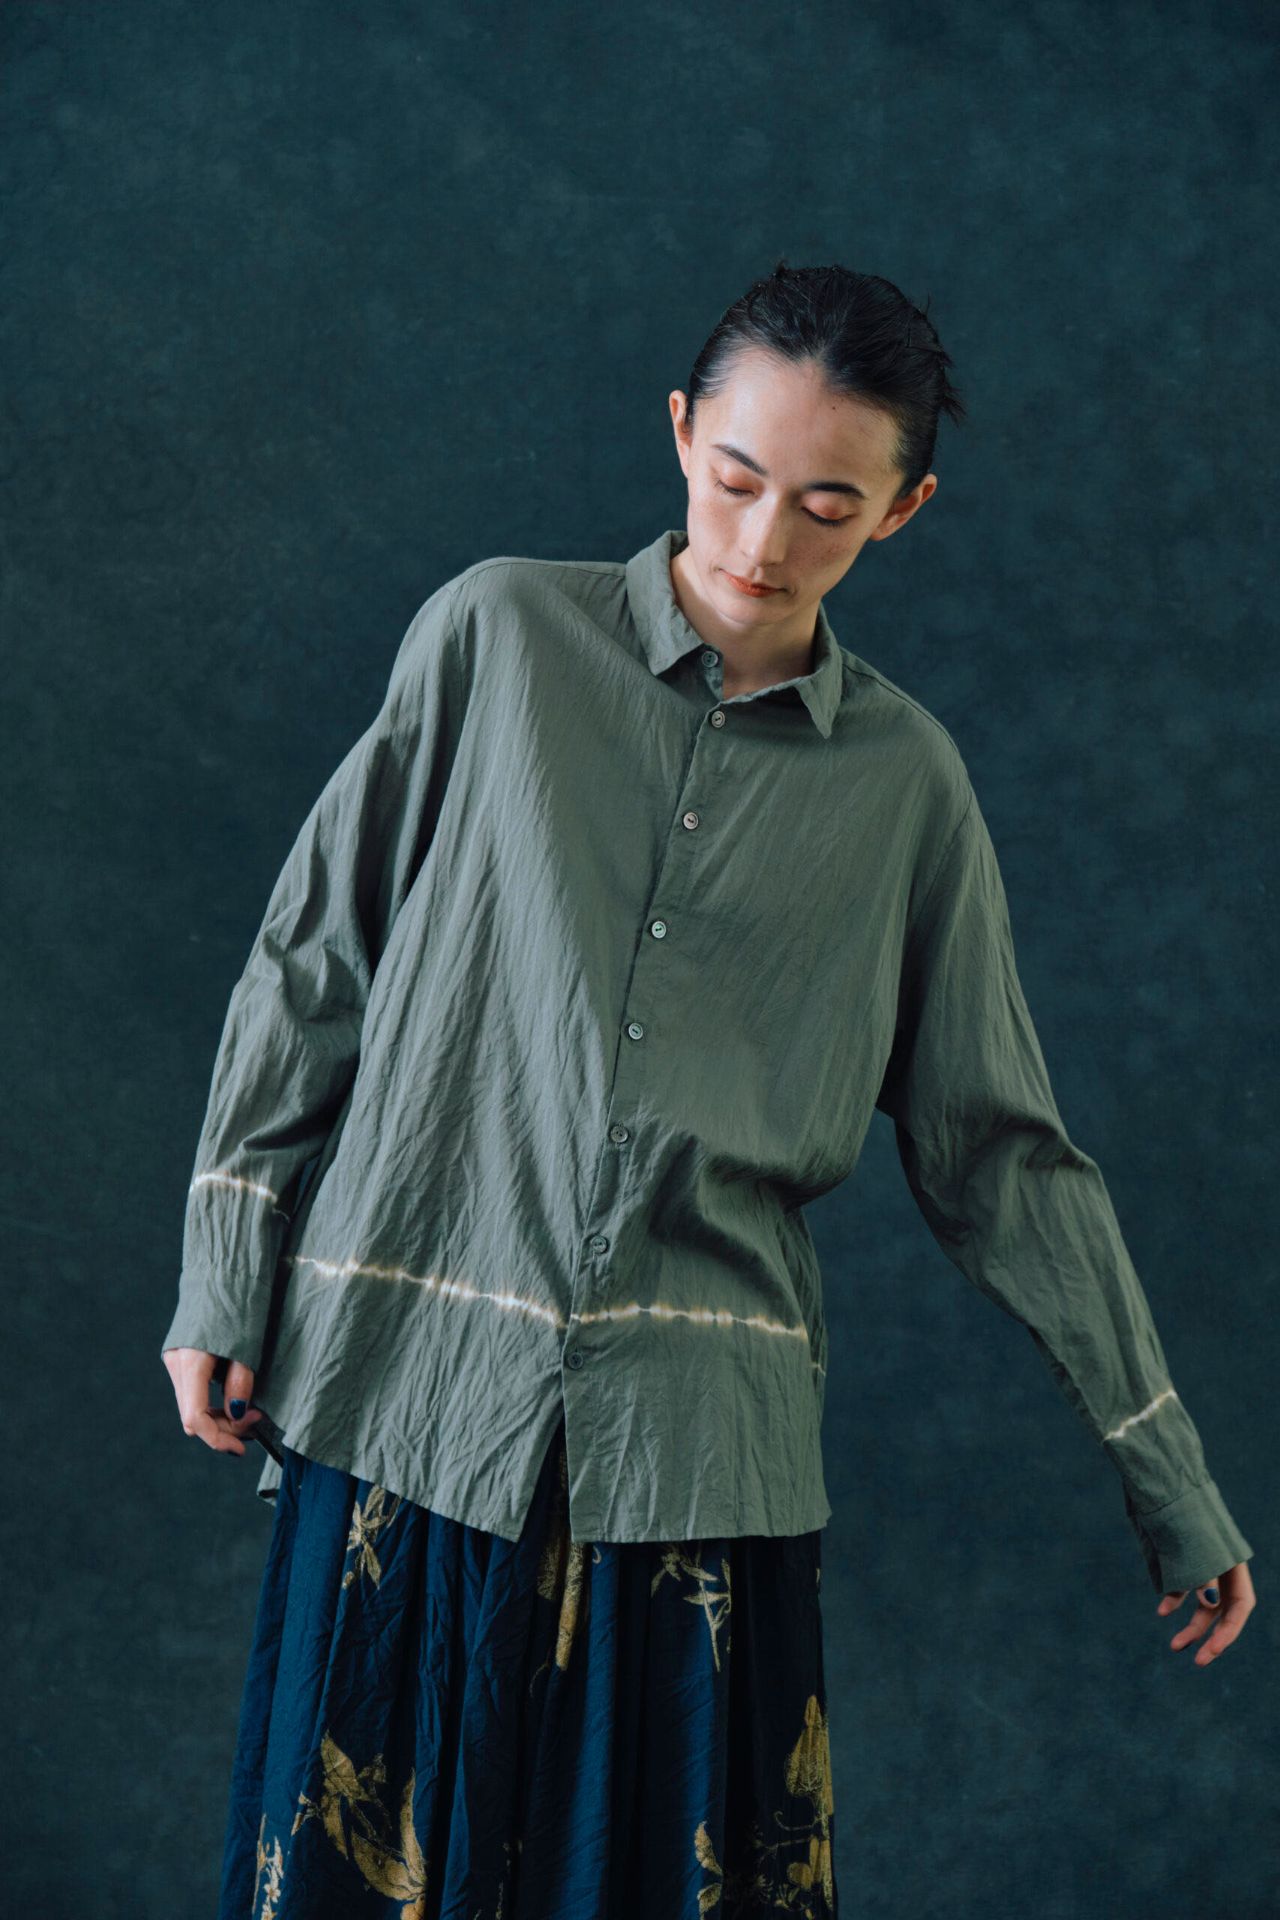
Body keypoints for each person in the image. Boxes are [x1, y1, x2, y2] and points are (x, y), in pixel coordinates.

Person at [161, 260, 1255, 1920]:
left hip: (698, 1481)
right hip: (400, 1407)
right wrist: (223, 1269)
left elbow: (1003, 1158)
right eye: (736, 478)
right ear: (681, 432)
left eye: (827, 506)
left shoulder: (908, 786)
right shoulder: (496, 636)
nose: (761, 543)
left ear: (904, 511)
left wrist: (1167, 1475)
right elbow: (315, 958)